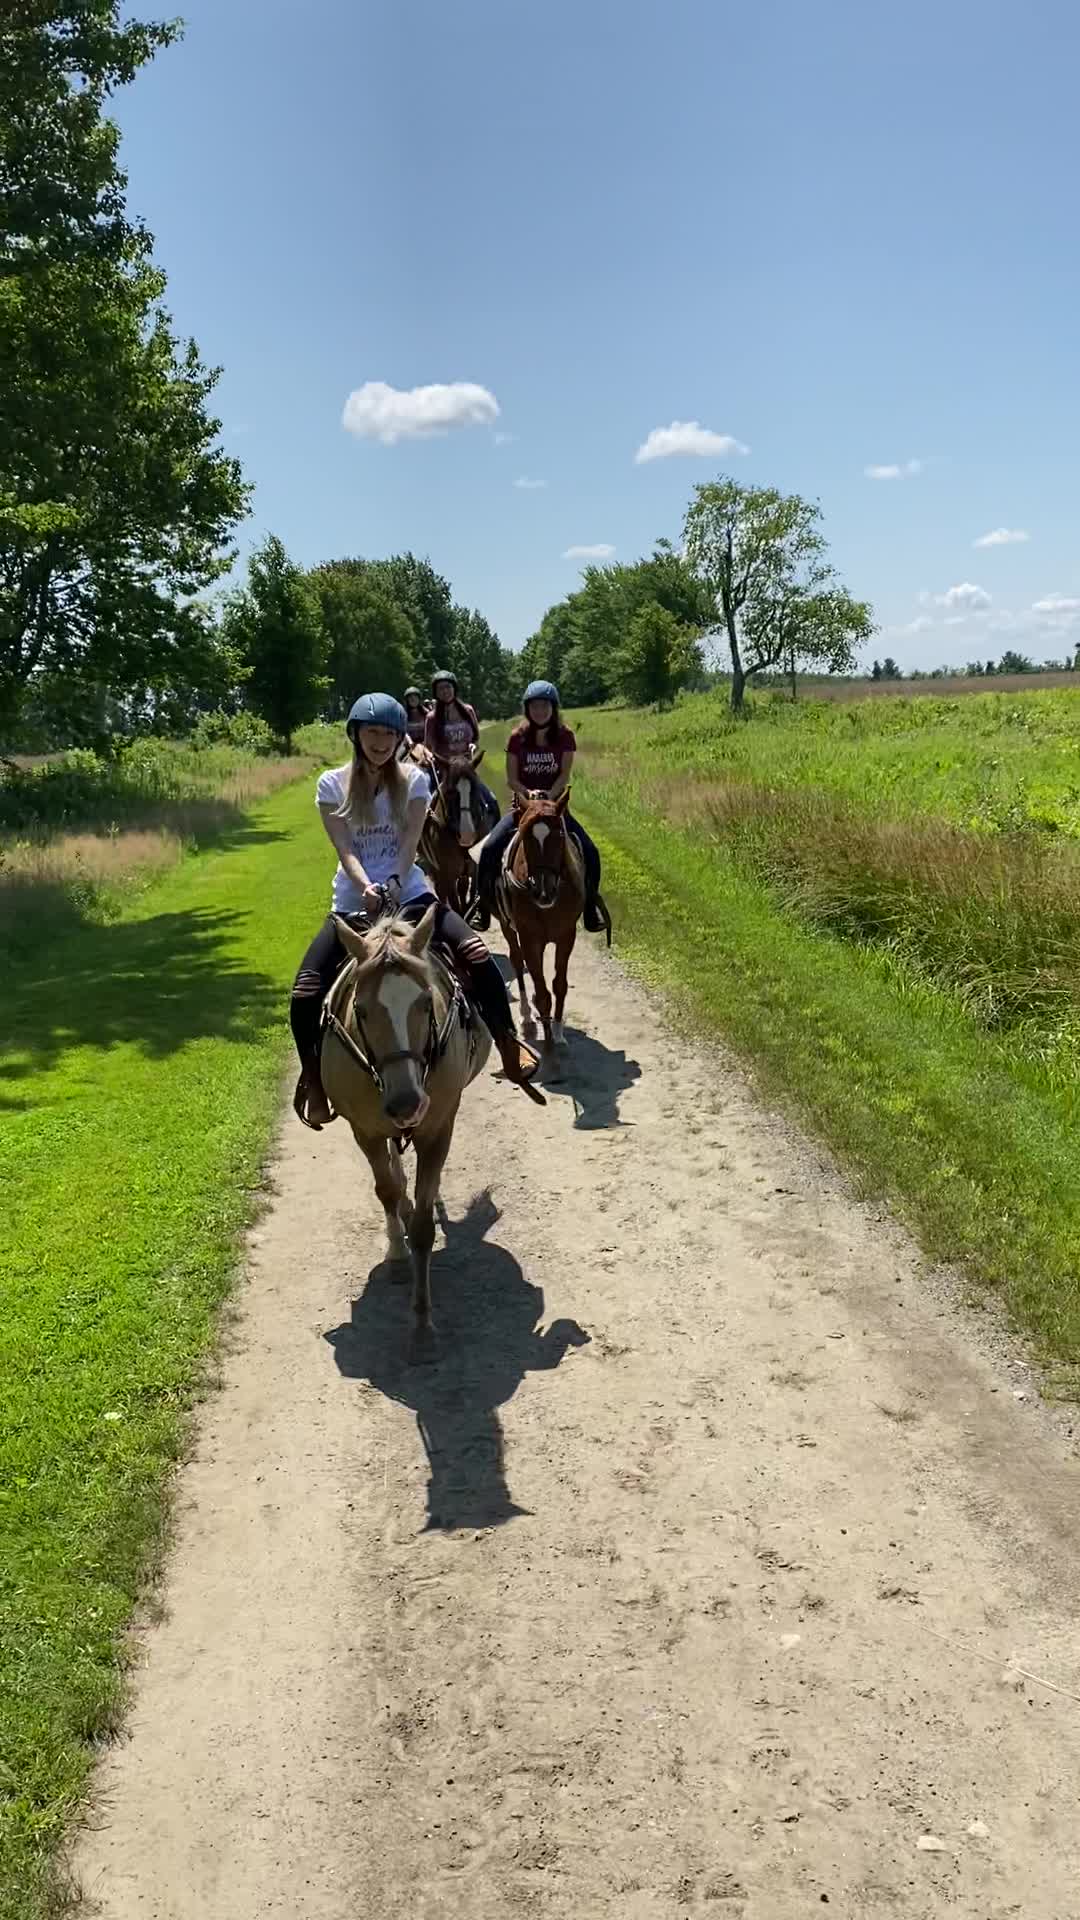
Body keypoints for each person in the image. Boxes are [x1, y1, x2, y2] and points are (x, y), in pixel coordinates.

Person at [290, 692, 540, 1129]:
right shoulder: (331, 784)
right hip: (352, 904)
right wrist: (364, 884)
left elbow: (408, 844)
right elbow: (344, 847)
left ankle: (507, 1044)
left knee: (478, 956)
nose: (381, 741)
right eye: (373, 732)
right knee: (306, 991)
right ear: (356, 735)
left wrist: (390, 882)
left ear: (400, 738)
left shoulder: (414, 781)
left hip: (411, 895)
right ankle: (314, 1080)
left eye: (389, 733)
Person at [474, 680, 604, 933]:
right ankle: (481, 906)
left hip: (555, 810)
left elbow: (564, 776)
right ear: (527, 709)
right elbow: (511, 778)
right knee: (488, 849)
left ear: (553, 708)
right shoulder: (517, 738)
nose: (540, 711)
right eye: (534, 706)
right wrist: (527, 795)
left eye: (544, 705)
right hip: (522, 810)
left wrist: (547, 798)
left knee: (591, 852)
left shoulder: (565, 736)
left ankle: (590, 907)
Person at [424, 668, 499, 834]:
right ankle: (420, 845)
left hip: (466, 768)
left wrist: (473, 746)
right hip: (445, 768)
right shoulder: (432, 718)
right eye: (441, 688)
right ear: (436, 692)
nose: (445, 691)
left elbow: (476, 738)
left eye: (448, 687)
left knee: (491, 801)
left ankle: (495, 840)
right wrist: (430, 757)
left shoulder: (467, 710)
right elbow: (427, 747)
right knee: (424, 805)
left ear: (454, 688)